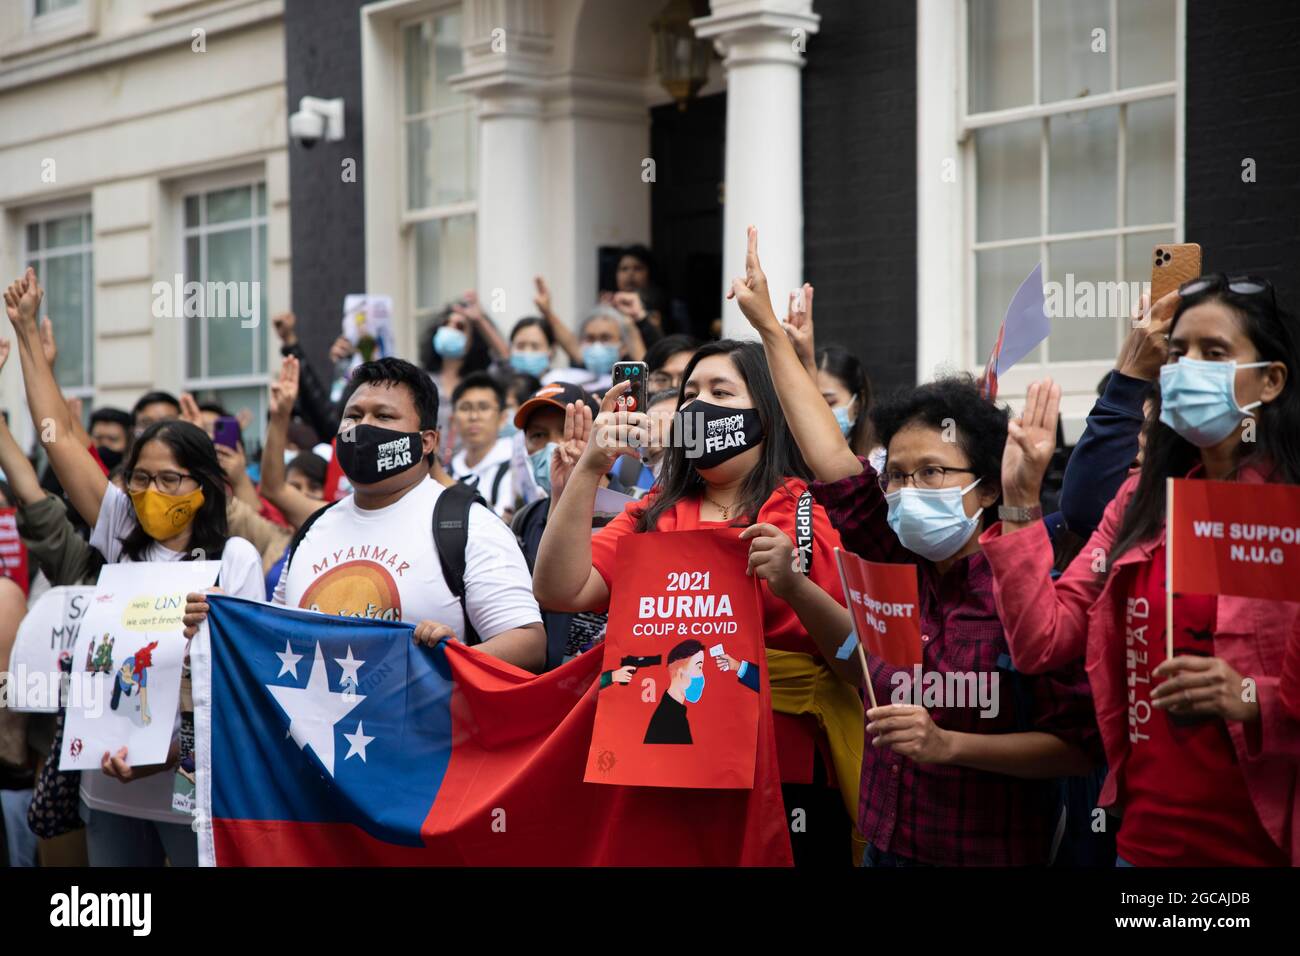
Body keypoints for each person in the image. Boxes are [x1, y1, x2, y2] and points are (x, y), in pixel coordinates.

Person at [731, 227, 1097, 867]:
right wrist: (768, 332)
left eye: (932, 472)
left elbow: (1075, 748)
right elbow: (828, 454)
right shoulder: (898, 559)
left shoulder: (1029, 593)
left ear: (985, 489)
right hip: (884, 843)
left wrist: (948, 745)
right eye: (896, 475)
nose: (906, 491)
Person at [983, 273, 1300, 866]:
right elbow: (1040, 641)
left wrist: (1257, 695)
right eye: (1177, 354)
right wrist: (1021, 502)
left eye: (1214, 353)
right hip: (1145, 841)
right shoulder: (1139, 501)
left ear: (1270, 380)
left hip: (1261, 842)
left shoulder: (1288, 507)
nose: (1187, 368)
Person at [533, 339, 861, 865]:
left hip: (783, 771)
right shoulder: (651, 512)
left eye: (720, 391)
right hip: (666, 767)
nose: (696, 406)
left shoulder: (804, 513)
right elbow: (559, 589)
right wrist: (590, 469)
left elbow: (859, 663)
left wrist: (796, 586)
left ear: (767, 417)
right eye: (689, 394)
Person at [7, 263, 267, 868]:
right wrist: (25, 336)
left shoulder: (234, 558)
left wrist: (219, 630)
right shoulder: (122, 527)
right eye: (141, 477)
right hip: (106, 787)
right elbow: (58, 439)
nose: (152, 491)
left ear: (205, 486)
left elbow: (248, 675)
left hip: (188, 792)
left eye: (170, 478)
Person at [189, 357, 546, 671]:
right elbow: (276, 641)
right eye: (354, 416)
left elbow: (528, 643)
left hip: (425, 743)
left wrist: (457, 658)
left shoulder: (469, 526)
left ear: (426, 442)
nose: (362, 427)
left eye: (384, 416)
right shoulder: (315, 527)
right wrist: (220, 619)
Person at [448, 372, 514, 518]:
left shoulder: (516, 467)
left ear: (503, 418)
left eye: (483, 407)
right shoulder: (448, 472)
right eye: (465, 408)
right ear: (453, 420)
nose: (474, 416)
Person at [815, 346, 879, 465]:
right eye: (814, 404)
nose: (821, 413)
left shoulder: (878, 461)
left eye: (830, 403)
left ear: (858, 403)